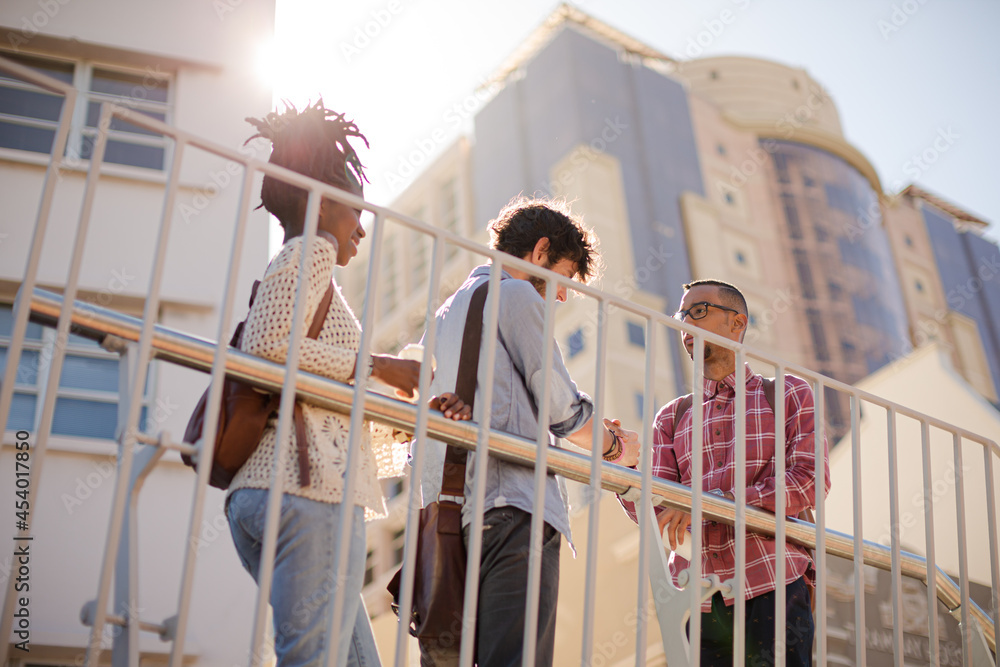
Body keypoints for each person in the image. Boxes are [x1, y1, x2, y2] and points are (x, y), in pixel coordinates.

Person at [224, 101, 420, 667]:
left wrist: (408, 411)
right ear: (325, 203)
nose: (361, 226)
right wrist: (380, 366)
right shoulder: (312, 250)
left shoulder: (304, 264)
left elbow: (316, 388)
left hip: (276, 492)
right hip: (306, 491)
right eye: (355, 210)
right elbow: (268, 348)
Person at [416, 198, 640, 667]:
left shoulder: (444, 315)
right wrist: (617, 446)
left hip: (449, 521)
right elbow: (562, 410)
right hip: (513, 510)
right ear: (540, 252)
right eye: (564, 278)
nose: (560, 297)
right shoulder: (516, 295)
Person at [618, 279, 831, 667]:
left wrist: (717, 503)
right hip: (698, 600)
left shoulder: (787, 393)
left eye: (698, 311)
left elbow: (810, 482)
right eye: (681, 316)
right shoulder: (671, 417)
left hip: (773, 583)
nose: (686, 324)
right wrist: (623, 468)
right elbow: (655, 515)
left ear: (738, 323)